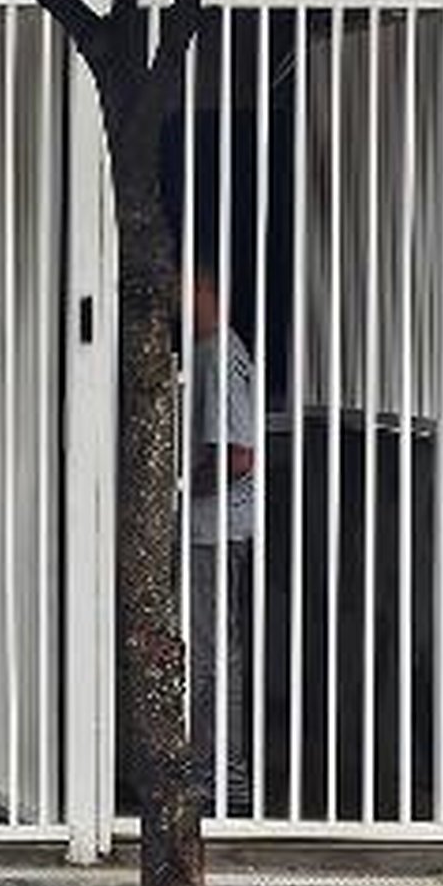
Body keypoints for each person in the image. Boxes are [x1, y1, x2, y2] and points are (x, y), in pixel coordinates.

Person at [184, 254, 260, 790]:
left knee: (214, 653)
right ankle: (211, 772)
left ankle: (224, 778)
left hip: (217, 529)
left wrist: (182, 491)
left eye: (179, 287)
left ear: (203, 290)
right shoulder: (209, 352)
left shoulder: (218, 355)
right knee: (209, 651)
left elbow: (238, 455)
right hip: (212, 527)